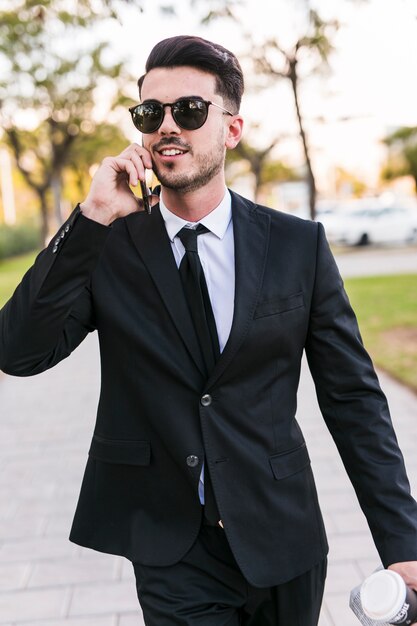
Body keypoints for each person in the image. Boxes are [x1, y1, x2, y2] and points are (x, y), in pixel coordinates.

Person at [0, 34, 416, 626]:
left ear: (232, 128)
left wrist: (403, 543)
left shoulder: (299, 247)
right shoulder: (109, 248)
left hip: (285, 538)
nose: (167, 126)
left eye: (189, 111)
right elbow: (18, 352)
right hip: (173, 550)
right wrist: (90, 219)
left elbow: (354, 400)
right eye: (151, 113)